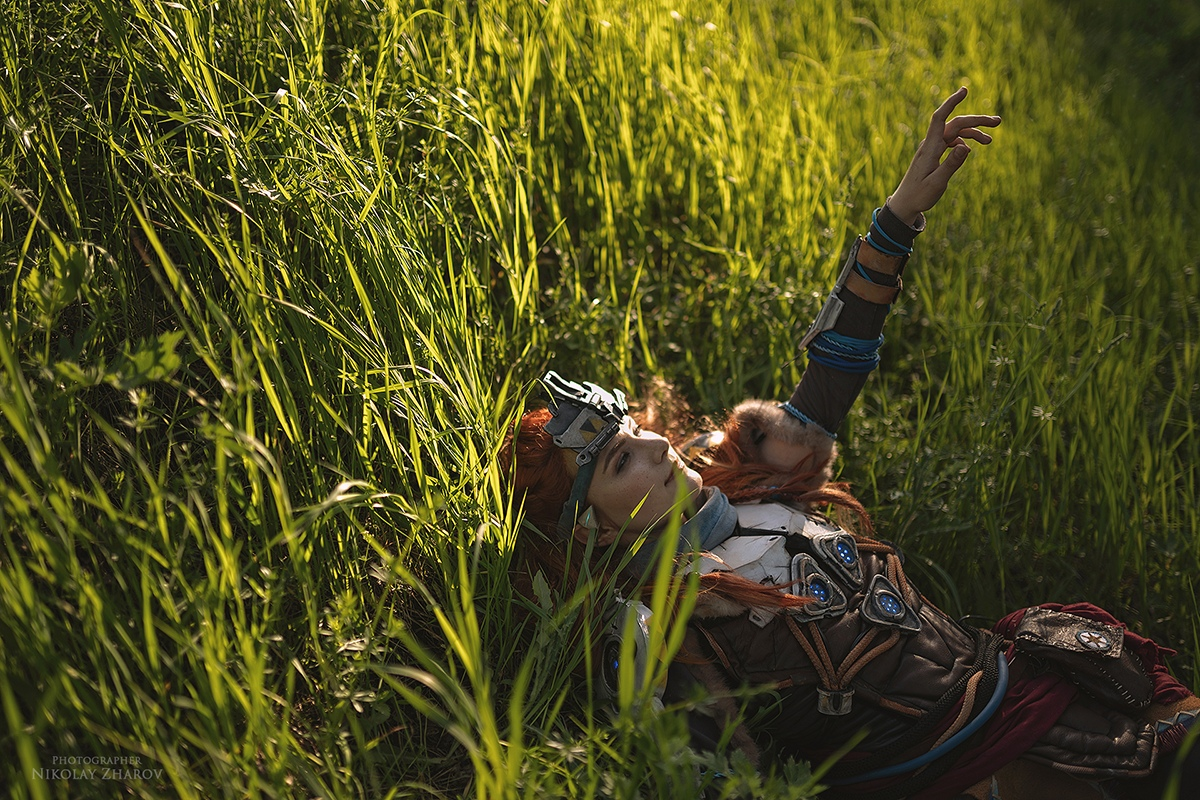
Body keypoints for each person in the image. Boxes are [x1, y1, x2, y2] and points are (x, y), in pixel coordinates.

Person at [500, 89, 1199, 800]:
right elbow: (725, 781)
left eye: (634, 431)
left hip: (1007, 680)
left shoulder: (750, 477)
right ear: (593, 529)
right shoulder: (663, 633)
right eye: (620, 460)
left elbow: (836, 366)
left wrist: (897, 219)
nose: (654, 445)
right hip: (952, 771)